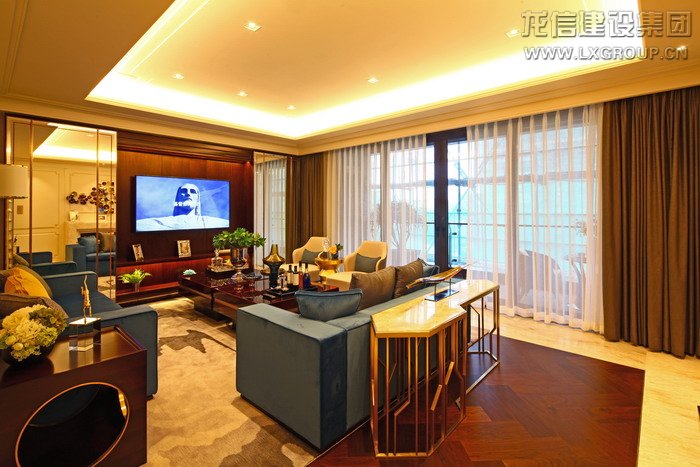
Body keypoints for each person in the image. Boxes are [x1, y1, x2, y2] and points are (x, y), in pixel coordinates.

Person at [136, 183, 229, 231]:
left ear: (198, 201)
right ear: (178, 198)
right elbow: (138, 225)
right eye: (184, 191)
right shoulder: (163, 222)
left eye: (193, 192)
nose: (188, 194)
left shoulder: (208, 222)